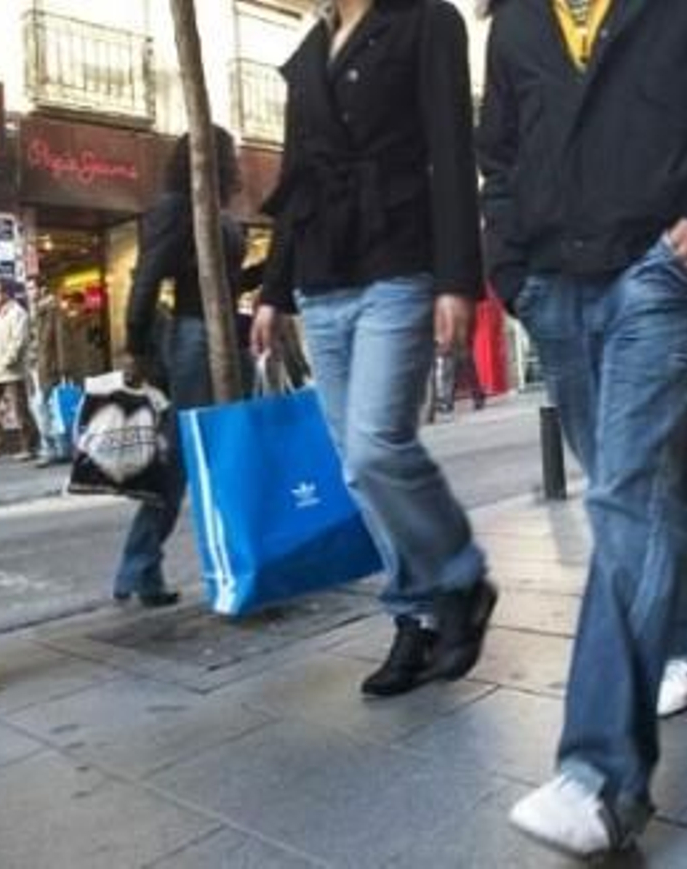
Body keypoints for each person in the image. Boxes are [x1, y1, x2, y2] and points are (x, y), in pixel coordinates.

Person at [477, 0, 687, 855]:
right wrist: (510, 270)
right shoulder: (516, 21)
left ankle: (600, 776)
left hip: (660, 272)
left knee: (624, 497)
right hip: (554, 285)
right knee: (645, 487)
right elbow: (499, 157)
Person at [251, 0, 498, 699]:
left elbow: (451, 152)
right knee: (358, 471)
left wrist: (458, 277)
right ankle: (415, 617)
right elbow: (296, 178)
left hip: (399, 260)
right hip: (323, 277)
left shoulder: (427, 21)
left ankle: (460, 575)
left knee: (377, 445)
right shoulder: (309, 52)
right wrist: (272, 291)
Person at [117, 125, 247, 608]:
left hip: (224, 334)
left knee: (209, 451)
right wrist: (135, 347)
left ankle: (142, 565)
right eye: (228, 154)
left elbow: (223, 281)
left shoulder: (211, 208)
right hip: (195, 338)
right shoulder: (179, 206)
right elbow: (148, 276)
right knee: (184, 457)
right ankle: (141, 564)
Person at [0, 280, 39, 462]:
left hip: (12, 370)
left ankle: (30, 447)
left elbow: (19, 340)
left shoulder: (17, 313)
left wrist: (8, 360)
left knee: (20, 409)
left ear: (6, 293)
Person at [31, 280, 77, 466]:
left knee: (46, 409)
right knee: (45, 409)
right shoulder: (36, 312)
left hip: (50, 369)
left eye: (33, 288)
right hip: (37, 368)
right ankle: (58, 448)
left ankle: (51, 449)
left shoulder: (53, 311)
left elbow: (62, 342)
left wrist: (64, 369)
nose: (31, 292)